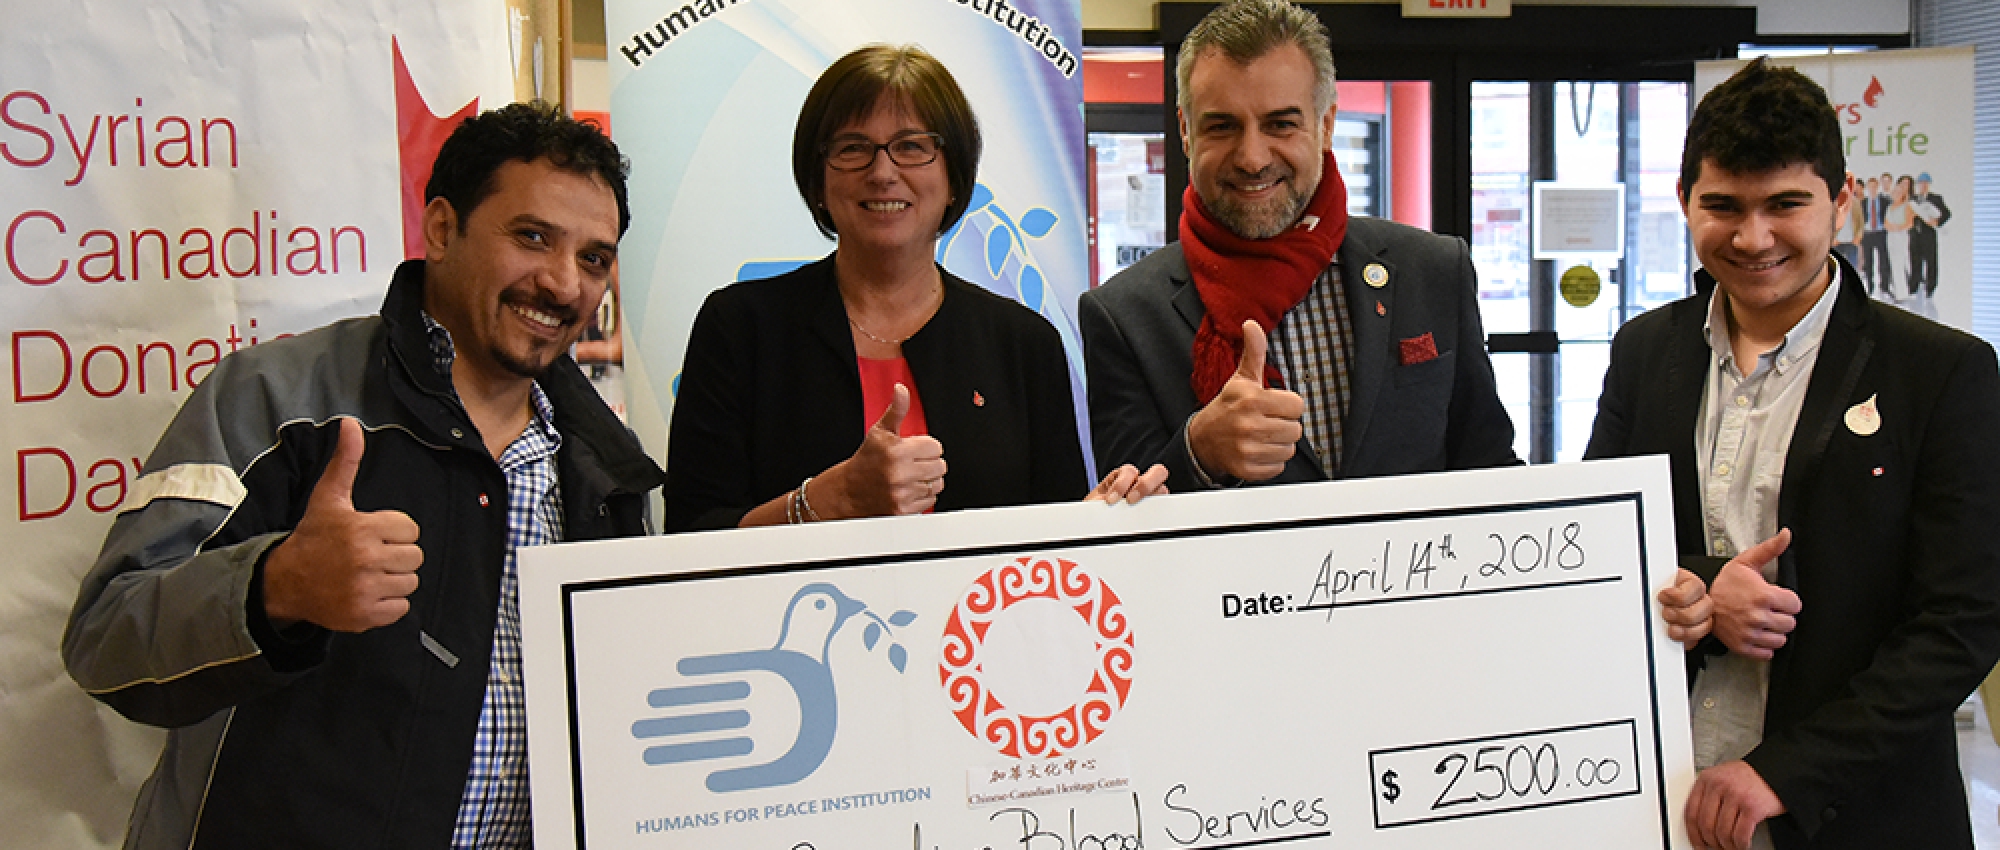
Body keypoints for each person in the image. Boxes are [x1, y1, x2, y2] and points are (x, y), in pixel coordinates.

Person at [61, 102, 665, 849]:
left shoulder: (607, 466)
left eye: (594, 258)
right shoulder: (279, 401)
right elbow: (105, 638)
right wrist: (274, 587)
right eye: (533, 237)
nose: (563, 284)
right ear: (442, 229)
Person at [1586, 59, 2000, 849]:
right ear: (1683, 202)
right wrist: (1709, 591)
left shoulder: (1940, 371)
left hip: (1858, 812)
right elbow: (1598, 551)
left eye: (1786, 205)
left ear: (1841, 203)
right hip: (1660, 798)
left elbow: (1963, 622)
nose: (1752, 237)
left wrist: (1784, 772)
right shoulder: (1645, 351)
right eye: (1722, 206)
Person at [666, 45, 1165, 531]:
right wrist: (824, 501)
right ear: (818, 180)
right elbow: (690, 539)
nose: (883, 172)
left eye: (911, 146)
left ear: (953, 178)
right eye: (853, 148)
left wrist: (1100, 520)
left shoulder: (1024, 344)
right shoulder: (739, 327)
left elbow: (1049, 541)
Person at [1080, 0, 1517, 493]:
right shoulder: (1122, 316)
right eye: (1222, 126)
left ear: (1326, 124)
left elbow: (1489, 468)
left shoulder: (1433, 271)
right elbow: (1122, 525)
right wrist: (1198, 452)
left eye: (1281, 124)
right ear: (1185, 130)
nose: (1251, 157)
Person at [1906, 171, 1950, 303]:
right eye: (1921, 183)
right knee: (1915, 261)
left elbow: (1947, 214)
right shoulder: (1913, 199)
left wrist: (1936, 222)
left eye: (1925, 183)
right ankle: (1914, 288)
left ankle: (1930, 288)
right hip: (1915, 235)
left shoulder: (1936, 198)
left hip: (1928, 235)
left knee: (1931, 261)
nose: (1923, 186)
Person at [1856, 175, 1887, 296]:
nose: (1873, 188)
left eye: (1875, 186)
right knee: (1868, 261)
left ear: (1877, 187)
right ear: (1868, 188)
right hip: (1867, 234)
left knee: (1883, 260)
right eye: (1871, 186)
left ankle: (1884, 286)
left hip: (1880, 233)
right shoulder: (1862, 203)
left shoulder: (1884, 201)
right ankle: (1870, 286)